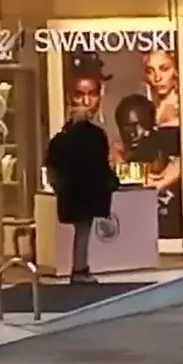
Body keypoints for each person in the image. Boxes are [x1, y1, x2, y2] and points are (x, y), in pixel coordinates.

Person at [44, 111, 117, 283]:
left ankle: (79, 267)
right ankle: (79, 269)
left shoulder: (60, 140)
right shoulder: (96, 137)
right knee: (84, 230)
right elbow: (102, 163)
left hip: (70, 191)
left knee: (80, 230)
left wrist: (56, 186)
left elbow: (51, 167)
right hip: (90, 190)